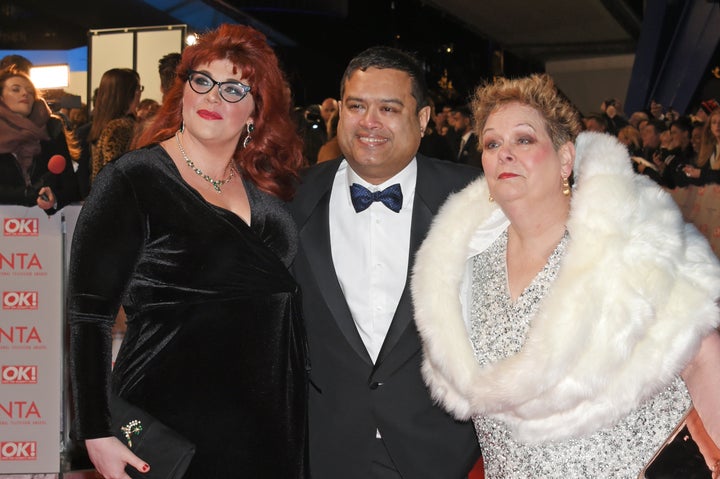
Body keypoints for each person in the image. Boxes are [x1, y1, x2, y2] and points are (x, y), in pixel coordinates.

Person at [411, 73, 720, 478]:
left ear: (565, 159)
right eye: (492, 143)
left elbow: (702, 360)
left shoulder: (626, 241)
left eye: (523, 139)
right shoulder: (465, 265)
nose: (504, 153)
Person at [68, 23, 308, 479]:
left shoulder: (266, 190)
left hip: (267, 421)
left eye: (234, 88)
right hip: (171, 418)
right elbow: (89, 316)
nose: (213, 97)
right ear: (183, 94)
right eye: (202, 81)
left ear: (257, 111)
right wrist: (96, 431)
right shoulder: (133, 180)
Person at [289, 45, 481, 479]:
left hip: (440, 451)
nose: (369, 122)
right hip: (324, 448)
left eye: (389, 108)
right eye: (356, 106)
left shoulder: (474, 198)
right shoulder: (289, 197)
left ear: (425, 119)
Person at [0, 67, 79, 209]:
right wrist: (25, 195)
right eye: (16, 89)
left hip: (47, 227)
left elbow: (71, 188)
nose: (25, 93)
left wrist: (54, 199)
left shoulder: (52, 129)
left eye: (30, 91)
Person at [88, 68, 142, 183]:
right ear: (132, 92)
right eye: (138, 88)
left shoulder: (107, 125)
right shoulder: (119, 128)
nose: (140, 93)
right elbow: (115, 178)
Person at [684, 107, 720, 185]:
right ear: (710, 127)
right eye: (714, 122)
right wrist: (691, 173)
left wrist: (700, 173)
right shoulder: (711, 149)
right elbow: (705, 179)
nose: (717, 125)